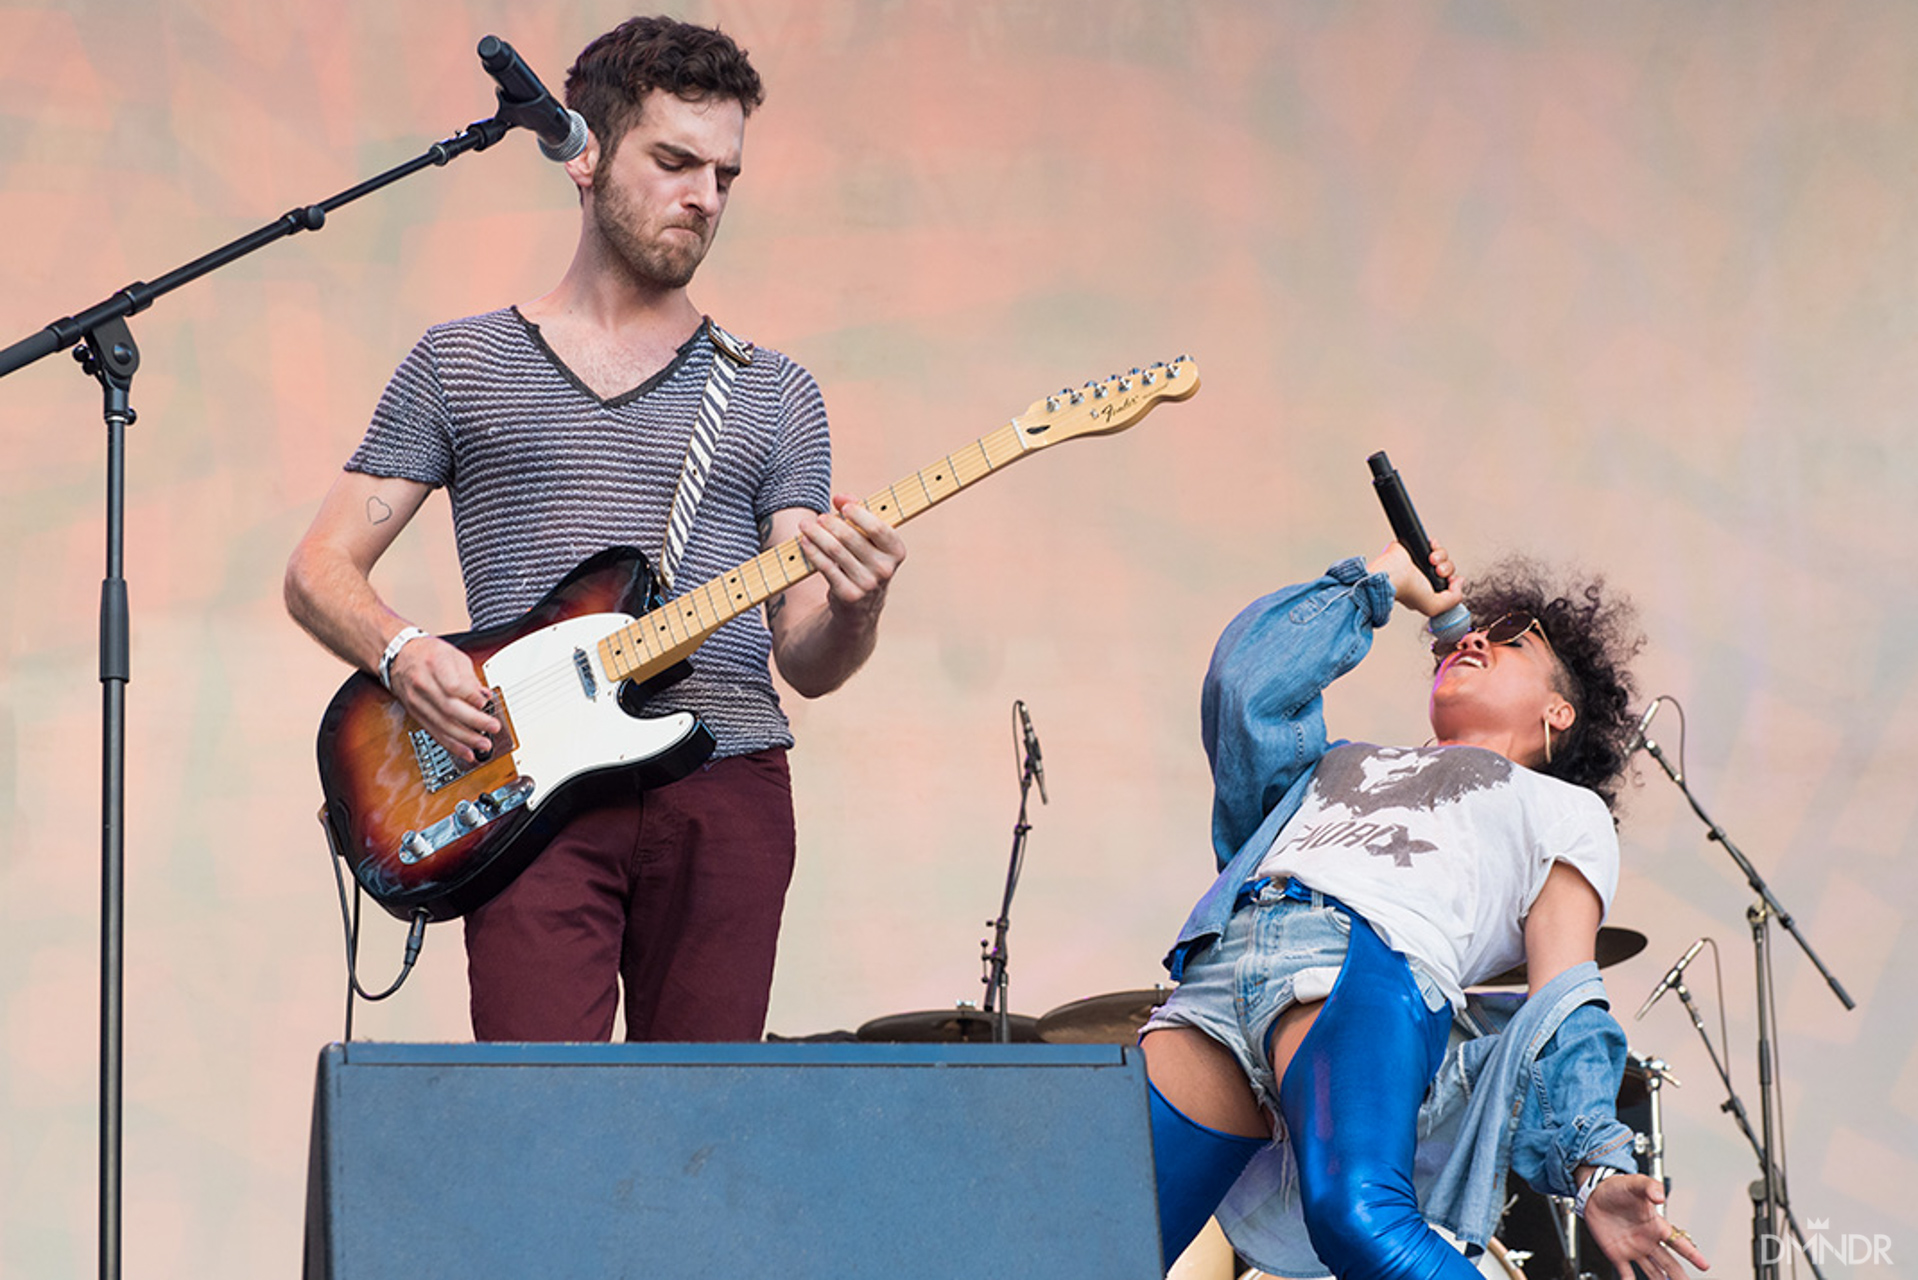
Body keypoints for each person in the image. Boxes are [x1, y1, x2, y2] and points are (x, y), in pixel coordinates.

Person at [285, 16, 905, 1043]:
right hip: (528, 787)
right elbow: (319, 567)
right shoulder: (460, 363)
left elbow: (807, 655)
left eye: (724, 175)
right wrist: (401, 653)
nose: (702, 197)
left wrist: (859, 603)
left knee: (701, 1135)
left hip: (726, 775)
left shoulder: (777, 392)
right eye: (672, 161)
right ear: (586, 156)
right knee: (539, 1132)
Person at [1139, 541, 1712, 1280]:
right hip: (1223, 966)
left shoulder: (1561, 809)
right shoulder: (1337, 763)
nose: (1474, 637)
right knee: (1086, 1241)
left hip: (1364, 959)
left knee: (1360, 1218)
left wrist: (1595, 1165)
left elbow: (1565, 994)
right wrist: (1379, 585)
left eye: (1511, 641)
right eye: (1477, 630)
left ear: (1558, 711)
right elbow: (1243, 685)